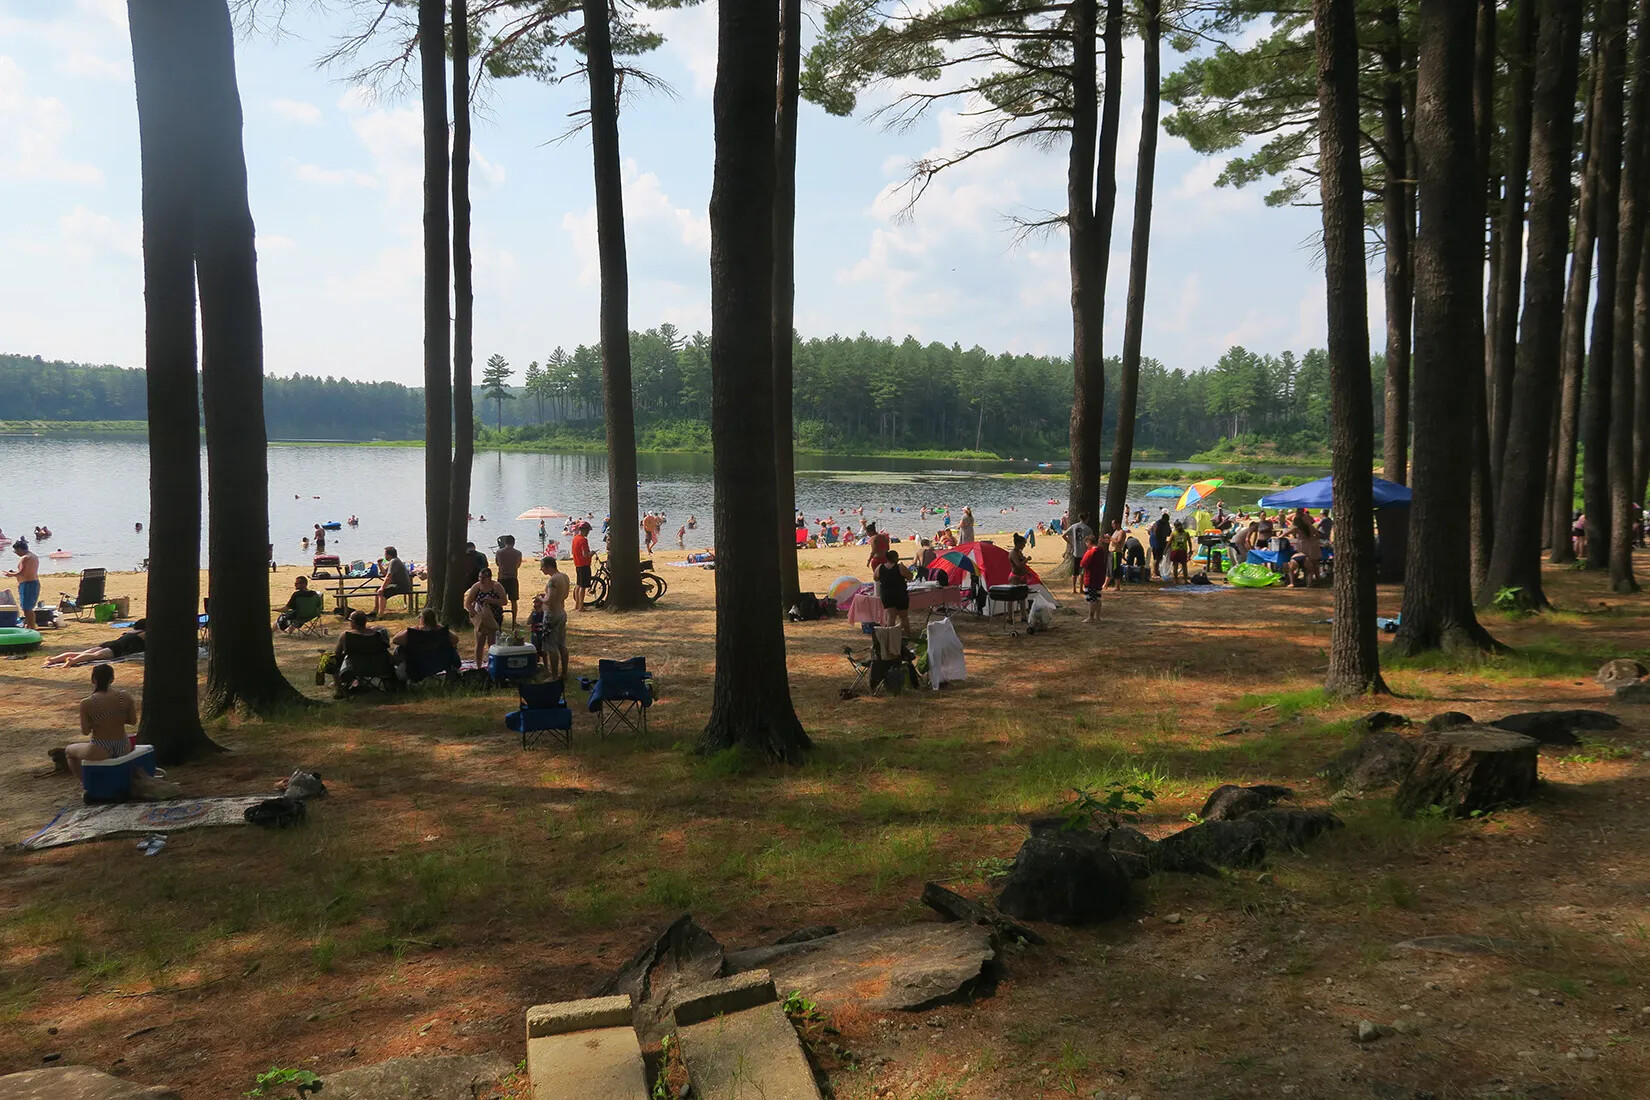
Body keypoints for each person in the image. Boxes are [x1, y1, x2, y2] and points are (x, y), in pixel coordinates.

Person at [64, 664, 138, 781]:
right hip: (124, 745)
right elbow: (133, 721)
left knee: (69, 751)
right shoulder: (125, 696)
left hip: (100, 747)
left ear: (93, 679)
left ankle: (86, 784)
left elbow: (85, 731)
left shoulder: (87, 703)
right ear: (112, 679)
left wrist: (96, 722)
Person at [44, 619, 147, 668]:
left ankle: (53, 659)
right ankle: (72, 661)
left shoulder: (131, 631)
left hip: (112, 643)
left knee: (83, 652)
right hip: (119, 649)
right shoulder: (143, 634)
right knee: (94, 656)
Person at [392, 608, 460, 680]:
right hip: (440, 662)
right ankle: (451, 674)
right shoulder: (441, 632)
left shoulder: (415, 632)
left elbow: (395, 640)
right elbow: (455, 639)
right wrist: (440, 627)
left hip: (417, 664)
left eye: (419, 617)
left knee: (399, 648)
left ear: (422, 619)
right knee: (452, 646)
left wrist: (407, 630)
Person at [464, 566, 508, 667]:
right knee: (479, 642)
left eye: (483, 578)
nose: (481, 580)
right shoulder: (476, 586)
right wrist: (474, 613)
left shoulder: (497, 586)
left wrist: (491, 600)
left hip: (494, 617)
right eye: (479, 577)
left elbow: (504, 601)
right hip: (480, 618)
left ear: (489, 578)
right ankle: (478, 666)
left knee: (492, 643)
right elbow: (467, 603)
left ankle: (492, 664)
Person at [538, 555, 570, 680]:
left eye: (542, 567)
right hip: (561, 612)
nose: (541, 569)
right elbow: (564, 595)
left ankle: (554, 675)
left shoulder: (552, 581)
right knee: (562, 644)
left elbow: (549, 600)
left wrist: (540, 598)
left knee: (551, 646)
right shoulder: (564, 577)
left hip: (552, 615)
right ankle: (565, 673)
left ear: (548, 566)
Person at [876, 549, 912, 636]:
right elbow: (910, 577)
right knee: (903, 617)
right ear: (896, 558)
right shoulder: (900, 567)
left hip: (887, 594)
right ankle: (908, 635)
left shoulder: (880, 567)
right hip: (900, 593)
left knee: (891, 617)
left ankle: (890, 637)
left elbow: (875, 578)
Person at [7, 538, 40, 630]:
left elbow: (22, 573)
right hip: (33, 582)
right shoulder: (33, 556)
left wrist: (10, 574)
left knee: (26, 608)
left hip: (27, 584)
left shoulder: (25, 558)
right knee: (28, 607)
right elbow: (27, 571)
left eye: (15, 551)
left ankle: (32, 626)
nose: (15, 553)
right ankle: (30, 625)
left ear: (20, 549)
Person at [374, 546, 413, 618]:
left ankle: (380, 615)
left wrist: (382, 588)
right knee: (377, 589)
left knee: (382, 592)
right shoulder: (394, 561)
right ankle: (375, 611)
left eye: (385, 554)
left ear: (388, 555)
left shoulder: (394, 561)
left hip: (402, 586)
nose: (384, 556)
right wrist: (379, 565)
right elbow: (385, 573)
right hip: (398, 585)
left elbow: (388, 576)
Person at [494, 535, 524, 624]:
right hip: (513, 578)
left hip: (502, 578)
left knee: (499, 600)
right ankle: (514, 621)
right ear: (514, 543)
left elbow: (497, 563)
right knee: (514, 601)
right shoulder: (518, 553)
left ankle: (498, 619)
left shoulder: (499, 552)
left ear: (505, 542)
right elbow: (518, 565)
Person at [1079, 533, 1106, 623]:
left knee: (1091, 599)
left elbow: (1083, 563)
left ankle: (1091, 617)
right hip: (1100, 577)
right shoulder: (1101, 550)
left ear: (1089, 542)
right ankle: (1098, 616)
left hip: (1091, 578)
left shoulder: (1090, 551)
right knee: (1098, 597)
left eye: (1086, 543)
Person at [1287, 518, 1323, 587]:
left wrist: (1280, 536)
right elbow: (1318, 535)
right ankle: (1312, 582)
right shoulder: (1310, 527)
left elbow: (1287, 532)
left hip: (1301, 551)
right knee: (1312, 567)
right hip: (1311, 548)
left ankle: (1292, 582)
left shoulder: (1297, 528)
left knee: (1293, 570)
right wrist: (1313, 538)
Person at [1063, 514, 1091, 594]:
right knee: (1082, 571)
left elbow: (1064, 535)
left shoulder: (1074, 526)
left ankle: (1074, 588)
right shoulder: (1087, 529)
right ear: (1087, 518)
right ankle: (1081, 588)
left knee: (1075, 572)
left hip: (1076, 552)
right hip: (1084, 552)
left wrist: (1071, 543)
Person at [571, 521, 594, 611]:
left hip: (577, 564)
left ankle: (577, 605)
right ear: (585, 530)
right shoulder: (583, 540)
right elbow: (585, 554)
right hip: (584, 564)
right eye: (588, 531)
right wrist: (591, 553)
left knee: (578, 584)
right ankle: (581, 607)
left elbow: (573, 551)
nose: (588, 533)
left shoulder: (575, 538)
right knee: (583, 586)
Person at [1168, 520, 1193, 584]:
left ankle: (1176, 580)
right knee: (1184, 566)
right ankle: (1185, 580)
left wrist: (1165, 550)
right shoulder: (1186, 533)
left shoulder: (1173, 533)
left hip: (1175, 551)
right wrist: (1190, 550)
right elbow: (1189, 543)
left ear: (1175, 527)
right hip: (1183, 551)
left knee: (1175, 566)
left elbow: (1169, 543)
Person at [1149, 512, 1171, 580]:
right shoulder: (1158, 524)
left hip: (1161, 542)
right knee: (1157, 558)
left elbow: (1169, 533)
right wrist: (1162, 541)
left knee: (1159, 557)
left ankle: (1157, 571)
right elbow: (1156, 533)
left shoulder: (1166, 524)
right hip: (1156, 542)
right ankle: (1154, 573)